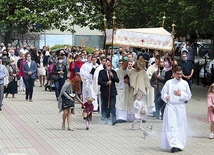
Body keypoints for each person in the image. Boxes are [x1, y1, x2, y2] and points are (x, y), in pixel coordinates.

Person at [161, 66, 192, 153]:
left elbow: (189, 96)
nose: (179, 76)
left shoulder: (185, 83)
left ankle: (179, 144)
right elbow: (163, 93)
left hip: (180, 107)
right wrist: (166, 96)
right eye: (177, 74)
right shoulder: (169, 83)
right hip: (171, 107)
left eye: (181, 74)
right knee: (171, 125)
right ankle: (173, 144)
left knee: (180, 126)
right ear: (174, 74)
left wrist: (181, 94)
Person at [98, 59, 119, 125]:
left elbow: (117, 80)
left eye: (110, 65)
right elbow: (99, 81)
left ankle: (113, 119)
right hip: (105, 92)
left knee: (112, 106)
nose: (108, 66)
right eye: (107, 65)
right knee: (105, 105)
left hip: (112, 92)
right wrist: (106, 83)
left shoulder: (113, 72)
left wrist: (112, 76)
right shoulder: (101, 72)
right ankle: (105, 118)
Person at [115, 56, 130, 122]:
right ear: (122, 64)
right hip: (120, 90)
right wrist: (123, 81)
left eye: (127, 65)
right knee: (119, 104)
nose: (126, 66)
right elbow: (116, 81)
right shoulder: (118, 71)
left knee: (125, 104)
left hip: (126, 90)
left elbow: (131, 81)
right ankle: (119, 117)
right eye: (125, 65)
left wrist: (129, 81)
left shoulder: (129, 72)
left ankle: (124, 117)